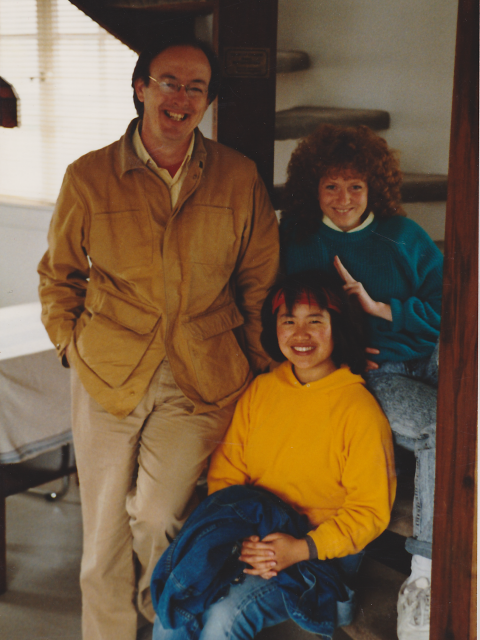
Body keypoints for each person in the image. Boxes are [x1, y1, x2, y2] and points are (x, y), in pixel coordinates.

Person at [37, 35, 279, 640]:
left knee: (158, 515)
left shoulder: (237, 176)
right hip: (108, 373)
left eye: (196, 86)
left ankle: (161, 615)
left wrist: (260, 365)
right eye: (168, 82)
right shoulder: (89, 176)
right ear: (141, 88)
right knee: (101, 540)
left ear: (208, 101)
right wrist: (71, 344)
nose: (181, 97)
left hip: (203, 373)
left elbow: (258, 282)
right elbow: (58, 276)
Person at [150, 270, 396, 640]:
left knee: (223, 619)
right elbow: (227, 475)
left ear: (337, 326)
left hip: (317, 551)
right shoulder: (262, 390)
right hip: (252, 537)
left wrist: (299, 548)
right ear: (275, 328)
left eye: (315, 321)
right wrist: (245, 542)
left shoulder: (357, 409)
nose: (300, 334)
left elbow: (370, 512)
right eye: (288, 321)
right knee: (177, 605)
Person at [280, 124, 443, 640]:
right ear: (314, 189)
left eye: (356, 187)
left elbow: (451, 310)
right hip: (378, 376)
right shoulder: (300, 244)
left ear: (374, 188)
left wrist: (383, 309)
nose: (344, 199)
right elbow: (293, 324)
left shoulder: (405, 235)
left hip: (433, 360)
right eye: (331, 186)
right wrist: (348, 348)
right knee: (446, 425)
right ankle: (425, 578)